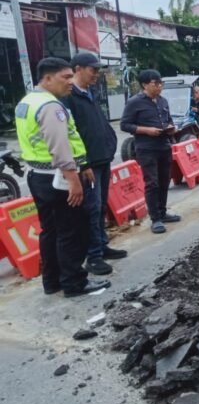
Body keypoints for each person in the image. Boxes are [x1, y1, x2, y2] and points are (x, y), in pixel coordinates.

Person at [15, 57, 111, 297]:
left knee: (50, 231)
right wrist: (73, 180)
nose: (70, 82)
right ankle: (74, 282)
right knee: (72, 231)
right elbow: (60, 147)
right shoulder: (51, 106)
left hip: (37, 176)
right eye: (65, 77)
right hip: (58, 177)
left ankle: (53, 281)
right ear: (47, 78)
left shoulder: (27, 101)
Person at [62, 52, 127, 276]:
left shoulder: (90, 93)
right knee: (91, 208)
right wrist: (83, 164)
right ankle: (93, 256)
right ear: (78, 69)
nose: (96, 75)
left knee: (100, 207)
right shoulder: (69, 97)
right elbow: (70, 134)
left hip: (102, 159)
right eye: (93, 70)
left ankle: (101, 244)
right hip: (88, 164)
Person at [120, 69, 182, 234]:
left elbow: (168, 120)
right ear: (145, 85)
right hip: (146, 148)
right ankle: (155, 219)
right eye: (156, 83)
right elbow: (125, 125)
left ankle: (162, 212)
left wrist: (171, 128)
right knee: (152, 183)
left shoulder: (163, 101)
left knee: (164, 180)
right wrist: (146, 130)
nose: (159, 86)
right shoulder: (134, 102)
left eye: (161, 83)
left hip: (164, 146)